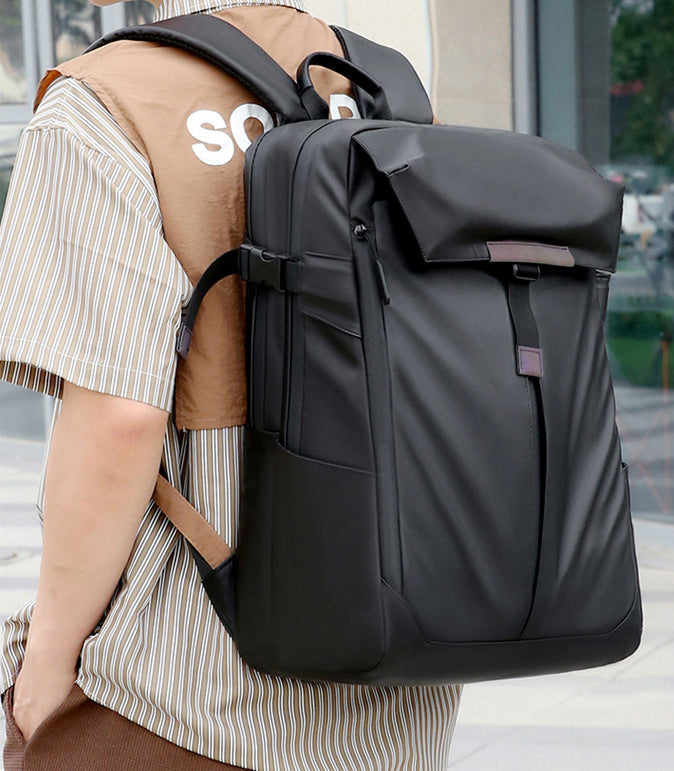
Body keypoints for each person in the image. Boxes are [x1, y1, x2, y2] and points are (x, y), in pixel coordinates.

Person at [0, 1, 463, 769]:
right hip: (394, 707)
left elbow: (119, 415)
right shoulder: (387, 89)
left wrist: (43, 672)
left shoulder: (106, 100)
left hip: (181, 700)